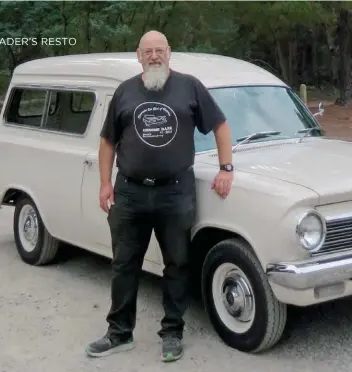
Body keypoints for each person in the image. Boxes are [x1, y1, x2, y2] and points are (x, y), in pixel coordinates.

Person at [84, 30, 234, 362]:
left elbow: (221, 126)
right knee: (124, 264)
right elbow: (108, 141)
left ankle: (172, 333)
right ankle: (119, 333)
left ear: (170, 53)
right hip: (130, 193)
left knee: (177, 264)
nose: (154, 56)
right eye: (147, 51)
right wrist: (104, 183)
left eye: (160, 50)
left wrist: (226, 168)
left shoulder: (189, 86)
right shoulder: (124, 92)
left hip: (175, 192)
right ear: (138, 55)